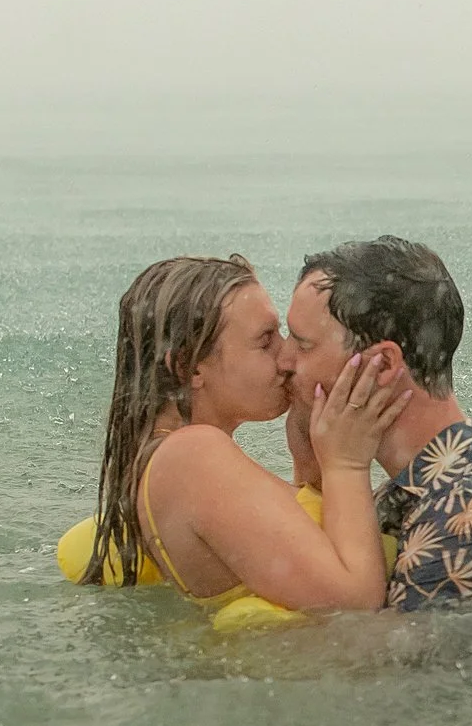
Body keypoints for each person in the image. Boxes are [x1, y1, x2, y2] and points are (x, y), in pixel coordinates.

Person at [82, 253, 411, 612]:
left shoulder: (165, 459)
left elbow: (297, 564)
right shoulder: (193, 457)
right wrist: (346, 465)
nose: (286, 356)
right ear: (188, 367)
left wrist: (309, 462)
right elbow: (353, 607)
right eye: (265, 339)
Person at [284, 237, 472, 609]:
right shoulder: (422, 496)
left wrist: (342, 466)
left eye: (302, 344)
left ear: (383, 366)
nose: (283, 359)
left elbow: (366, 658)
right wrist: (314, 468)